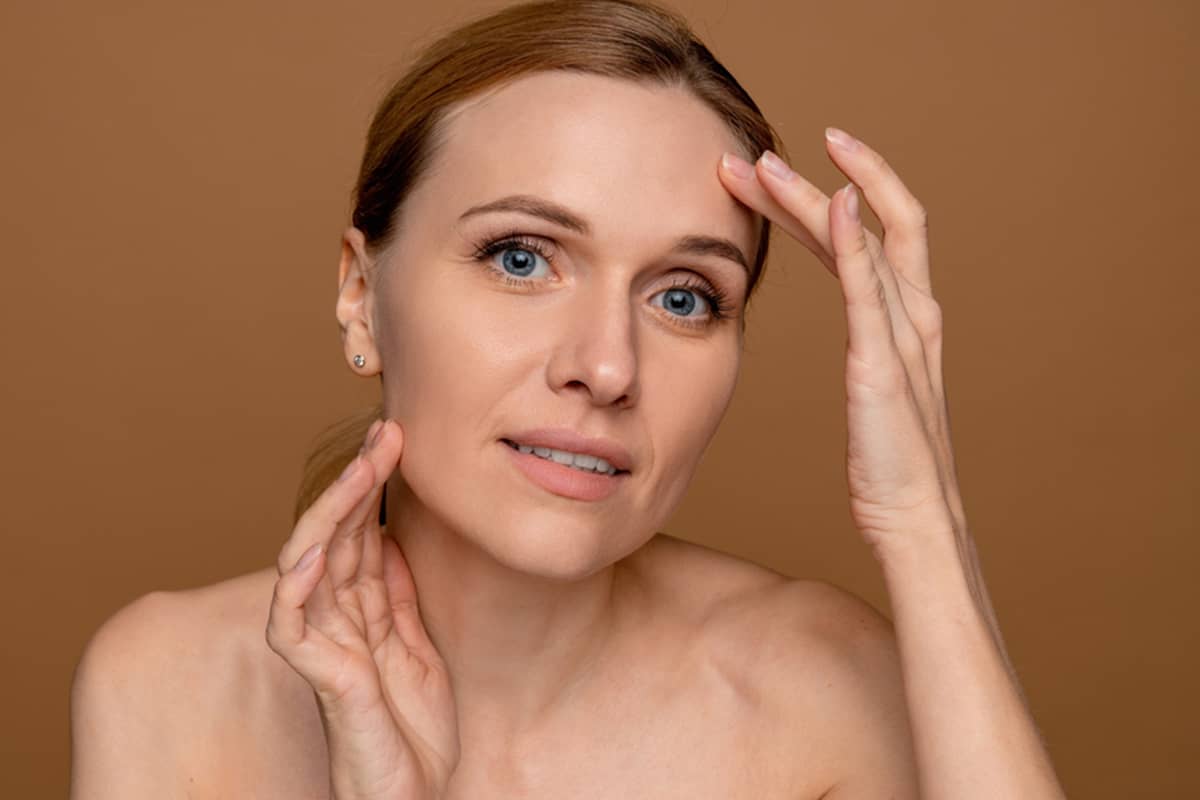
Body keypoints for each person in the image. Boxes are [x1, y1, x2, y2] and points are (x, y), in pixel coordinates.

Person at [69, 1, 1067, 797]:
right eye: (521, 256)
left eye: (684, 296)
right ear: (360, 293)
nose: (607, 364)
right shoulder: (170, 687)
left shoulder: (823, 691)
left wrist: (923, 522)